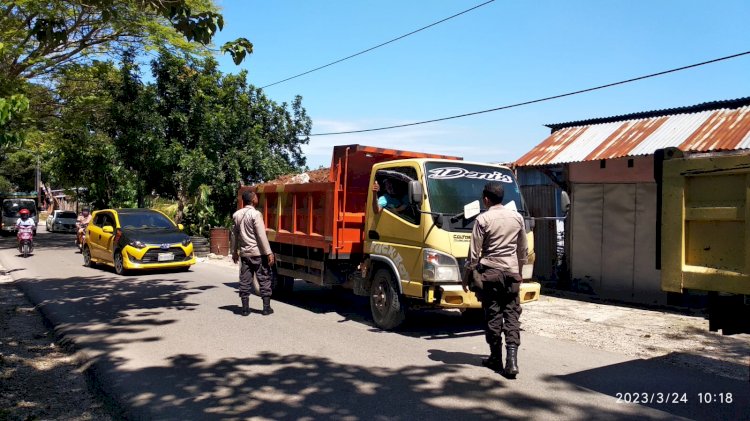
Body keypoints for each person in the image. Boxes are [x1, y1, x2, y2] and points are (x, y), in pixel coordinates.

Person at [463, 182, 528, 378]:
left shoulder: (482, 219)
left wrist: (467, 275)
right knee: (511, 315)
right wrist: (520, 271)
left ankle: (495, 358)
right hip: (511, 273)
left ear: (486, 199)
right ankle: (512, 362)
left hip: (490, 273)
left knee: (493, 314)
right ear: (502, 198)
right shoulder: (517, 218)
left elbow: (474, 254)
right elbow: (522, 250)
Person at [231, 190, 276, 317]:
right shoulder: (256, 215)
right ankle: (266, 308)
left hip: (245, 254)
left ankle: (245, 309)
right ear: (252, 199)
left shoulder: (236, 215)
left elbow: (234, 235)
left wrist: (234, 252)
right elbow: (261, 235)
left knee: (245, 281)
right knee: (264, 279)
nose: (257, 198)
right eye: (256, 196)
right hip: (258, 254)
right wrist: (269, 252)